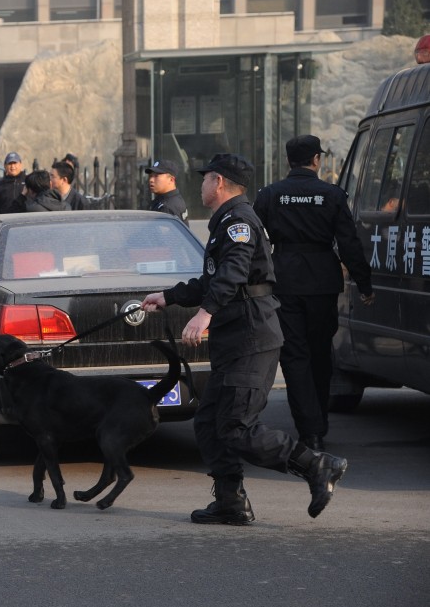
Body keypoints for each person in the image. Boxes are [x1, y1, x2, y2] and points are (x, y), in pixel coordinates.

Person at [141, 153, 348, 525]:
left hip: (252, 338)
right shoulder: (226, 220)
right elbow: (213, 280)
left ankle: (317, 465)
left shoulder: (239, 222)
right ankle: (230, 501)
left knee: (238, 426)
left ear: (218, 182)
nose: (200, 184)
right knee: (208, 422)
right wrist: (169, 297)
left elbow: (234, 273)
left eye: (205, 178)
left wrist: (205, 313)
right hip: (236, 338)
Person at [253, 135, 374, 451]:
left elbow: (253, 240)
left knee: (294, 355)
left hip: (285, 280)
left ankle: (309, 430)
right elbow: (349, 243)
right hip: (322, 281)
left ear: (289, 160)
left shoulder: (270, 195)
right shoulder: (331, 194)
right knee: (320, 352)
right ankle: (318, 420)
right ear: (316, 160)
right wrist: (364, 284)